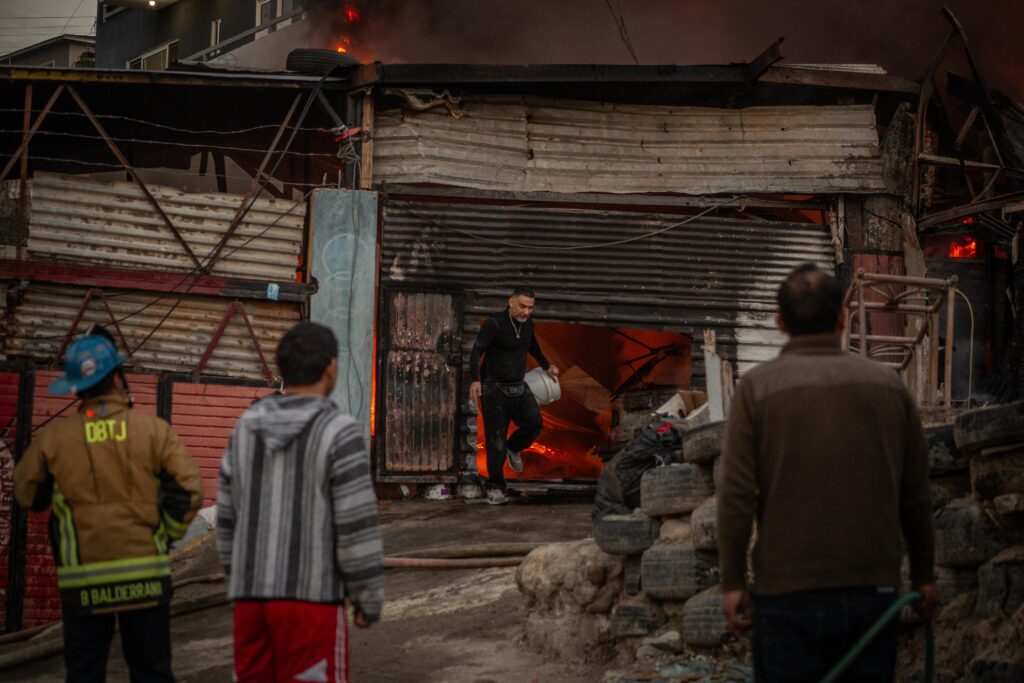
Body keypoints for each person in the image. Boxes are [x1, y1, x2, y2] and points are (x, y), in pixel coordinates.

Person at [717, 263, 937, 682]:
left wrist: (731, 583)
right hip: (873, 592)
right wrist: (924, 575)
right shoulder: (889, 386)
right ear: (842, 317)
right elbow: (915, 495)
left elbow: (736, 495)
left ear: (780, 323)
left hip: (786, 595)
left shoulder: (756, 389)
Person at [14, 335, 203, 682]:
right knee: (152, 672)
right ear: (117, 379)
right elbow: (189, 491)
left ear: (76, 387)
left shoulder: (53, 440)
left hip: (83, 581)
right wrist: (164, 538)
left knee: (85, 674)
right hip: (144, 577)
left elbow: (27, 495)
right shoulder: (153, 431)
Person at [216, 321, 383, 683]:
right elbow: (356, 525)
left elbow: (226, 517)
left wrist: (237, 581)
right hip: (311, 600)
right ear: (331, 368)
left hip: (250, 600)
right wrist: (367, 597)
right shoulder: (340, 431)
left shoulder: (245, 427)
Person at [469, 286, 559, 504]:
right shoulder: (495, 323)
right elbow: (476, 351)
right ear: (511, 302)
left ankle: (514, 447)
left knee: (535, 424)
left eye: (530, 307)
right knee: (495, 440)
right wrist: (475, 380)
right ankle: (496, 487)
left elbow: (533, 347)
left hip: (519, 386)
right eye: (522, 306)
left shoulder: (528, 324)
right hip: (494, 390)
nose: (526, 312)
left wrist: (548, 366)